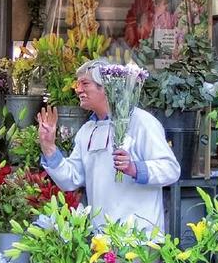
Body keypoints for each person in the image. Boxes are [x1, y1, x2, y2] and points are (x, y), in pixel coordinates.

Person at [37, 58, 181, 230]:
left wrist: (135, 169)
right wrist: (49, 147)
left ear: (106, 86)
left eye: (85, 83)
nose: (78, 89)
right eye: (78, 84)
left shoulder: (141, 121)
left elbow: (171, 170)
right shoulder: (87, 130)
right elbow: (71, 179)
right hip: (101, 236)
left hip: (139, 236)